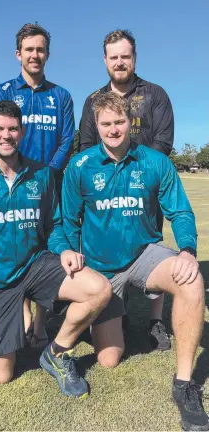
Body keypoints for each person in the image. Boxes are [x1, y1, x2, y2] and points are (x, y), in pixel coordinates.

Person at [0, 101, 112, 399]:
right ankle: (8, 325)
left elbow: (55, 225)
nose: (5, 135)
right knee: (0, 376)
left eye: (12, 129)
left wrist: (63, 250)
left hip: (36, 267)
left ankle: (55, 353)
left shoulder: (42, 175)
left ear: (22, 132)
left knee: (99, 289)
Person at [62, 92, 208, 431]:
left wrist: (186, 249)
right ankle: (107, 315)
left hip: (144, 255)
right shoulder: (80, 166)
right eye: (106, 123)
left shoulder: (155, 162)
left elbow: (180, 210)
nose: (113, 129)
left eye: (119, 122)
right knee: (110, 359)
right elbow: (66, 222)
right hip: (101, 268)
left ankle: (184, 384)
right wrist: (71, 255)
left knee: (191, 278)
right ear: (96, 126)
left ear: (131, 123)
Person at [79, 29, 175, 349]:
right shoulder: (93, 101)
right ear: (104, 60)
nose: (120, 62)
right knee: (106, 251)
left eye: (125, 56)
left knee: (151, 250)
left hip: (145, 192)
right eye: (114, 57)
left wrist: (140, 178)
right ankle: (112, 310)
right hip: (105, 194)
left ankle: (154, 321)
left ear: (134, 58)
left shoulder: (155, 95)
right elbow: (86, 148)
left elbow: (162, 142)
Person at [0, 23, 75, 347]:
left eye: (40, 49)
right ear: (18, 54)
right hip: (14, 184)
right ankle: (23, 317)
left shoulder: (61, 95)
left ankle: (40, 325)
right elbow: (2, 135)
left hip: (49, 184)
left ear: (47, 54)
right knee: (19, 246)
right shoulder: (3, 91)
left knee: (46, 249)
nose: (35, 55)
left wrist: (48, 172)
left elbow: (67, 137)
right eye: (29, 49)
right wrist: (21, 173)